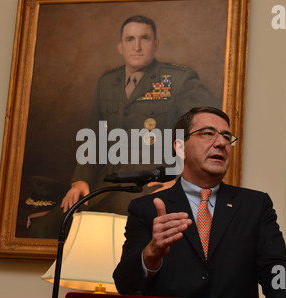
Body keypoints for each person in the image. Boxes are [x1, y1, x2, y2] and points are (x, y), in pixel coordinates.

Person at [29, 16, 219, 238]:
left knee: (127, 245)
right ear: (120, 46)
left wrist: (182, 182)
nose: (136, 46)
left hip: (151, 189)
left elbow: (211, 129)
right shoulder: (107, 83)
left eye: (144, 38)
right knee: (45, 231)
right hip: (105, 187)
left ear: (156, 43)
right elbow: (95, 137)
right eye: (130, 39)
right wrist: (80, 180)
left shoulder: (177, 80)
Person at [113, 107, 286, 298]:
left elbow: (277, 266)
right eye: (208, 133)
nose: (221, 143)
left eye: (227, 137)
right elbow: (124, 283)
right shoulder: (146, 208)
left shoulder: (255, 205)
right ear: (180, 147)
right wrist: (150, 254)